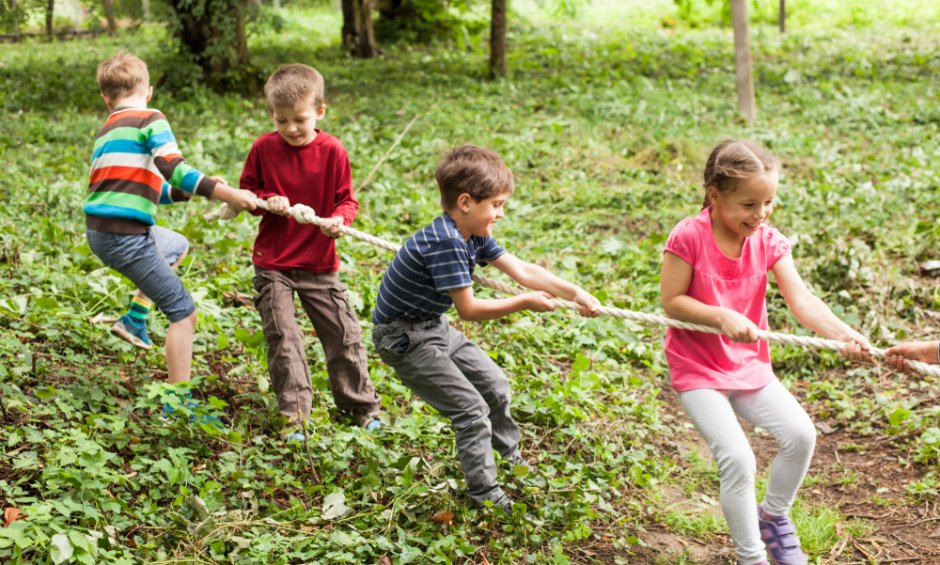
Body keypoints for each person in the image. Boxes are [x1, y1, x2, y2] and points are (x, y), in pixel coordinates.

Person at [659, 139, 870, 565]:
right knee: (738, 458)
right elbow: (672, 301)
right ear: (715, 196)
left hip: (748, 366)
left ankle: (773, 517)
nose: (760, 215)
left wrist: (847, 334)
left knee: (801, 435)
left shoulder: (768, 240)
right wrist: (720, 316)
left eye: (769, 202)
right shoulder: (689, 235)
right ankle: (752, 556)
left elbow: (803, 301)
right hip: (698, 368)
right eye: (749, 204)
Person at [371, 144, 601, 509]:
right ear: (466, 202)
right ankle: (486, 494)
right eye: (496, 204)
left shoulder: (471, 233)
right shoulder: (446, 242)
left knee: (494, 385)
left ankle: (508, 458)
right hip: (404, 337)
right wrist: (525, 302)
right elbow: (470, 309)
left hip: (432, 325)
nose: (502, 214)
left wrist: (576, 293)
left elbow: (523, 270)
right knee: (471, 411)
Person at [85, 52, 257, 390]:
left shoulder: (107, 131)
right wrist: (226, 194)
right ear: (149, 91)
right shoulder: (151, 118)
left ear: (106, 98)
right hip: (127, 238)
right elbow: (174, 168)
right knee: (184, 314)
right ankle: (178, 402)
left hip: (99, 234)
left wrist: (186, 193)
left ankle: (134, 320)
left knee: (176, 245)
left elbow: (152, 188)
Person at [239, 63, 382, 438]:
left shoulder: (333, 151)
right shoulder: (263, 148)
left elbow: (347, 201)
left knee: (343, 334)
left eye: (299, 120)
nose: (290, 129)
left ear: (320, 112)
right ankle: (294, 419)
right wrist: (268, 200)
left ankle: (361, 407)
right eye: (280, 120)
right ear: (271, 115)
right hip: (274, 263)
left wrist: (338, 220)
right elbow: (249, 192)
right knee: (284, 338)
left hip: (319, 262)